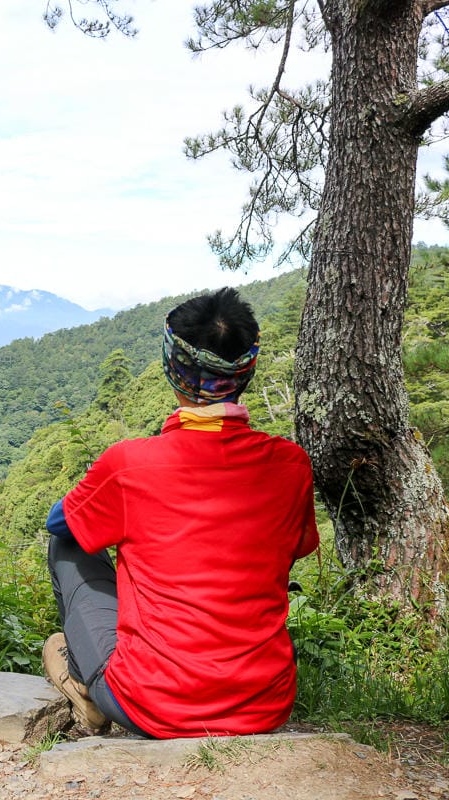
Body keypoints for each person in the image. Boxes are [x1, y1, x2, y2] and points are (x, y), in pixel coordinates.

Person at [42, 287, 319, 739]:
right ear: (245, 373)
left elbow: (61, 521)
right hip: (263, 707)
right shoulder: (290, 466)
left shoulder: (130, 464)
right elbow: (296, 548)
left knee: (68, 541)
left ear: (174, 370)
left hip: (149, 705)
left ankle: (87, 687)